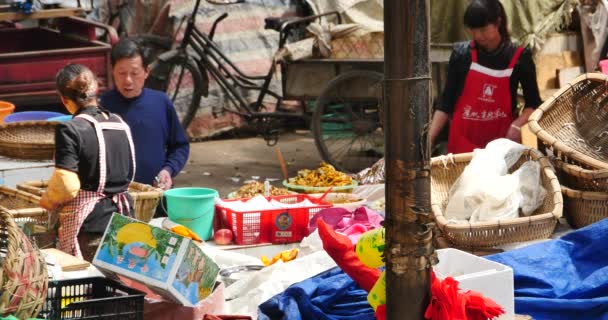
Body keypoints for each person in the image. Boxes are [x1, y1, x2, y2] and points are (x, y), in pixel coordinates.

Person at [40, 64, 136, 261]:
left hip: (91, 229)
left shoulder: (70, 129)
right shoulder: (120, 123)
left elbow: (67, 185)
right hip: (125, 222)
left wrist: (48, 200)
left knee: (89, 287)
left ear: (64, 100)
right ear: (96, 91)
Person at [429, 0, 542, 154]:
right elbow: (445, 103)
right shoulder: (462, 55)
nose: (477, 35)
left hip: (500, 147)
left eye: (483, 29)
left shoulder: (520, 57)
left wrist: (517, 126)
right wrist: (429, 139)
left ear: (498, 22)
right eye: (472, 30)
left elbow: (534, 104)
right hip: (463, 146)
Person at [100, 38, 190, 193]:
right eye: (122, 73)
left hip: (156, 194)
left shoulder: (161, 103)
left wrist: (168, 170)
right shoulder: (102, 107)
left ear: (147, 72)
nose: (128, 80)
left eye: (134, 73)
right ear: (112, 71)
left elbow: (180, 146)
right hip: (116, 197)